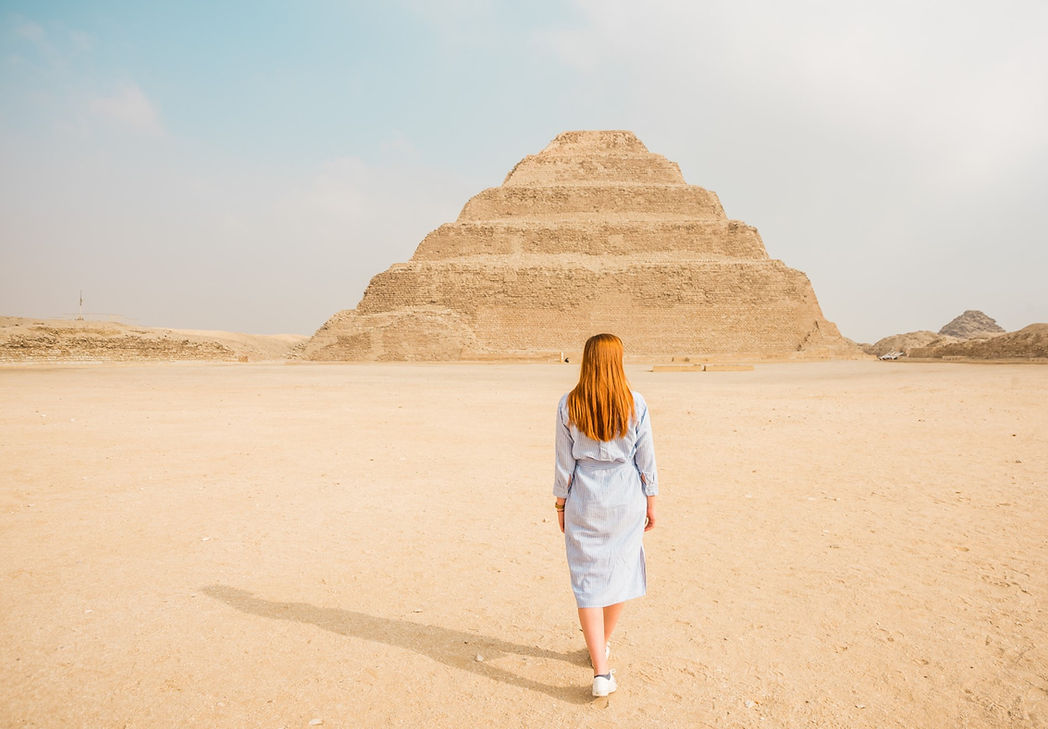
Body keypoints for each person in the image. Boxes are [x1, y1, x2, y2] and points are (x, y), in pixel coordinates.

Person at [553, 333, 658, 698]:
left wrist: (561, 505)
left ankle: (601, 669)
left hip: (585, 498)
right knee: (621, 570)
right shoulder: (635, 403)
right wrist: (651, 501)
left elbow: (564, 464)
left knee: (587, 580)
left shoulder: (569, 404)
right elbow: (646, 461)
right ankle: (601, 647)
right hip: (626, 497)